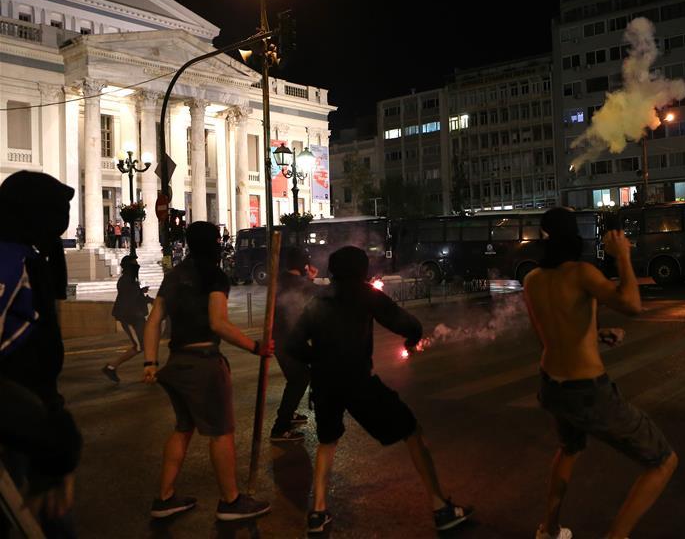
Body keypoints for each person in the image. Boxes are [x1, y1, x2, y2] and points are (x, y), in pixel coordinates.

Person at [288, 246, 472, 534]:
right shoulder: (366, 295)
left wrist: (320, 360)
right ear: (361, 270)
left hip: (325, 384)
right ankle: (441, 508)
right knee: (411, 431)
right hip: (358, 382)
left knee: (327, 441)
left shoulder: (317, 299)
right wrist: (412, 340)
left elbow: (294, 344)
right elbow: (407, 324)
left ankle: (317, 512)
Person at [522, 208, 677, 539]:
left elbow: (548, 335)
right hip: (588, 393)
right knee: (663, 462)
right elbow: (632, 304)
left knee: (570, 449)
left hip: (552, 387)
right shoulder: (582, 273)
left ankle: (548, 530)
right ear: (573, 236)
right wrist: (622, 256)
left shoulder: (532, 280)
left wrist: (595, 333)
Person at [142, 221, 271, 521]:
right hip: (203, 363)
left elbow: (154, 320)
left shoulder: (175, 276)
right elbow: (219, 323)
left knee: (183, 428)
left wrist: (150, 362)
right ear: (214, 243)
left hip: (176, 363)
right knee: (220, 433)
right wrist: (256, 347)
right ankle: (231, 501)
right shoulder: (214, 275)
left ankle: (165, 498)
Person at [0, 171, 81, 537]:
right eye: (57, 210)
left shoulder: (29, 254)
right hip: (16, 429)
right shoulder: (10, 260)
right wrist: (47, 434)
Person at [269, 247, 317, 442]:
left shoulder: (281, 278)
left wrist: (309, 279)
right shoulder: (297, 283)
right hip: (288, 340)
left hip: (280, 338)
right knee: (300, 378)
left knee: (297, 378)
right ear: (303, 264)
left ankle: (289, 413)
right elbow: (318, 293)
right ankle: (280, 428)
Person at [101, 256, 153, 383]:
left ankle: (150, 369)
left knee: (147, 342)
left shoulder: (130, 279)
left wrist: (142, 292)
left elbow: (134, 295)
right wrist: (147, 299)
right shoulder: (126, 280)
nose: (137, 266)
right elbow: (131, 299)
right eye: (134, 264)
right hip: (130, 318)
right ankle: (111, 367)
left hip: (136, 317)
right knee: (140, 346)